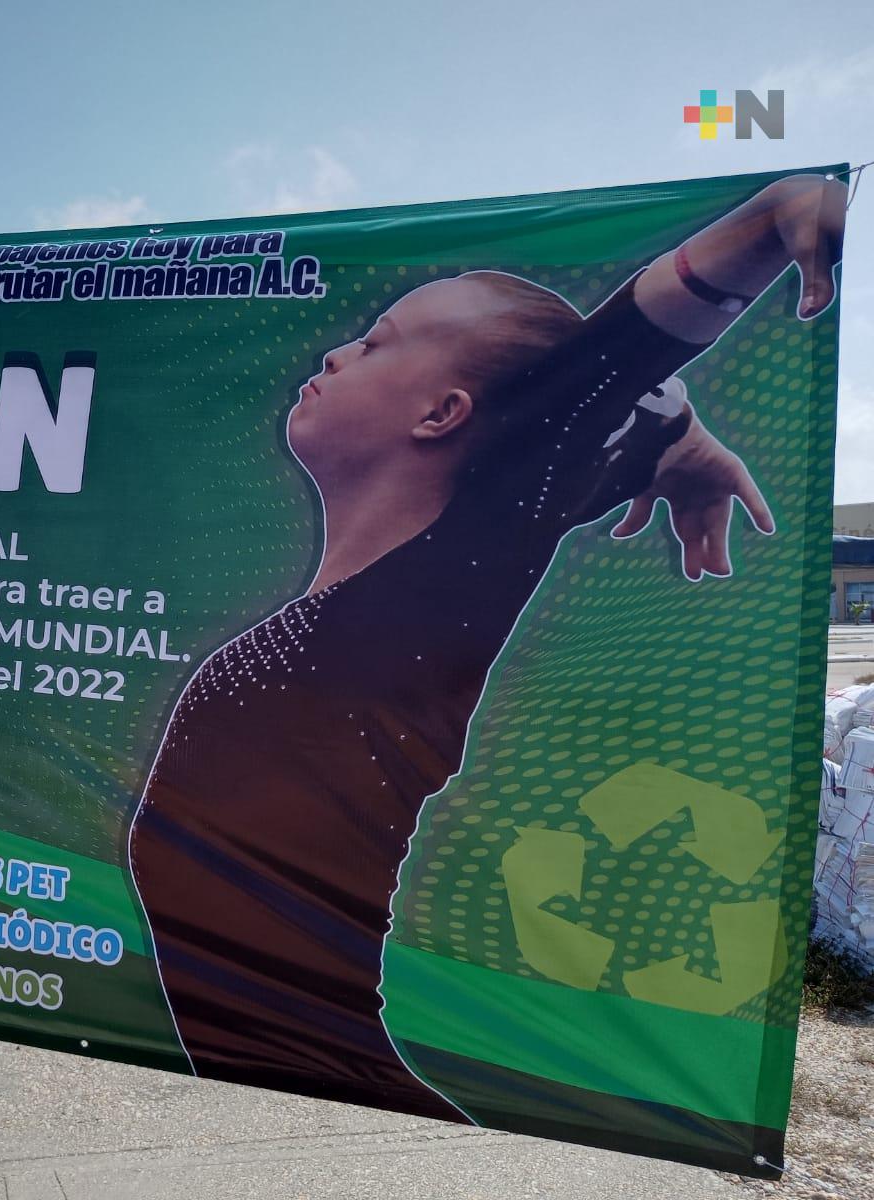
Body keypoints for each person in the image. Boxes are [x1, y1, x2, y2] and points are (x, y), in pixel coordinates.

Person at [128, 174, 847, 1122]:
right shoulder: (392, 592)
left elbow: (610, 360)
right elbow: (601, 419)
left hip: (348, 1101)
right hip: (297, 1089)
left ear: (441, 415)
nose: (336, 352)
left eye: (376, 343)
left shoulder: (440, 585)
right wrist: (671, 439)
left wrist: (767, 220)